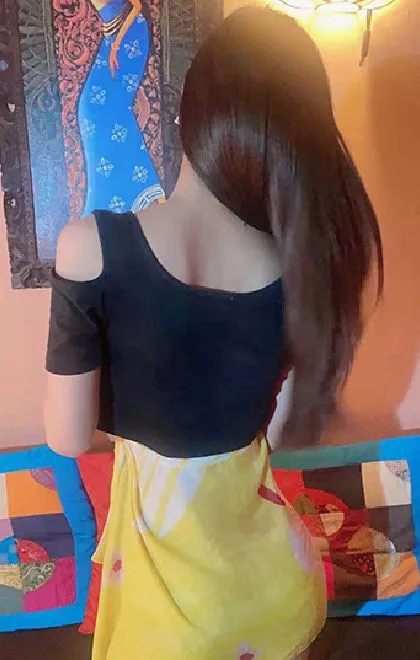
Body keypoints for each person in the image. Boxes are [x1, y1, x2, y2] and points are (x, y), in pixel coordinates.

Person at [44, 6, 383, 659]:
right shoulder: (296, 266)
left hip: (167, 613)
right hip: (276, 594)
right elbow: (276, 432)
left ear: (187, 117)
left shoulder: (89, 246)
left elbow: (66, 437)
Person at [78, 0, 164, 216]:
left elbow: (136, 6)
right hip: (113, 38)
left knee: (104, 108)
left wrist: (116, 46)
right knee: (90, 110)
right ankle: (108, 195)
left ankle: (143, 186)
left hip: (130, 34)